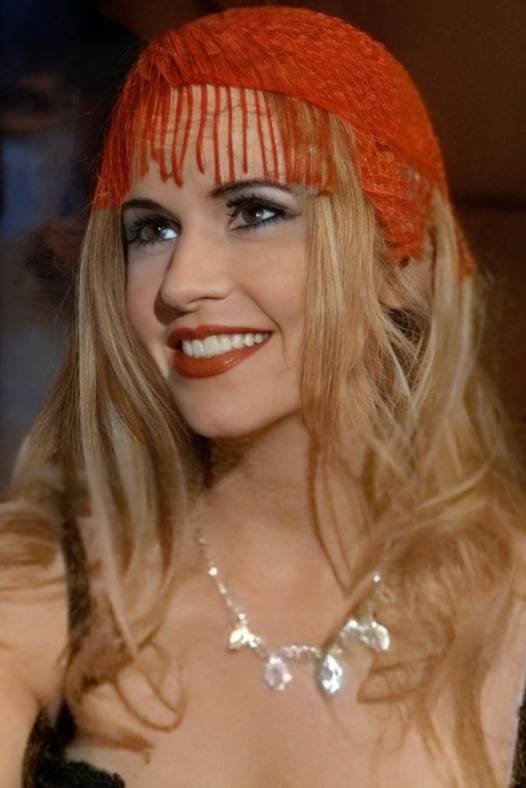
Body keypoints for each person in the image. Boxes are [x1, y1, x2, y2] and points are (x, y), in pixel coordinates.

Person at [1, 5, 525, 787]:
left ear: (401, 261)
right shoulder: (35, 593)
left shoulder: (511, 610)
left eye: (254, 212)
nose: (182, 283)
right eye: (152, 230)